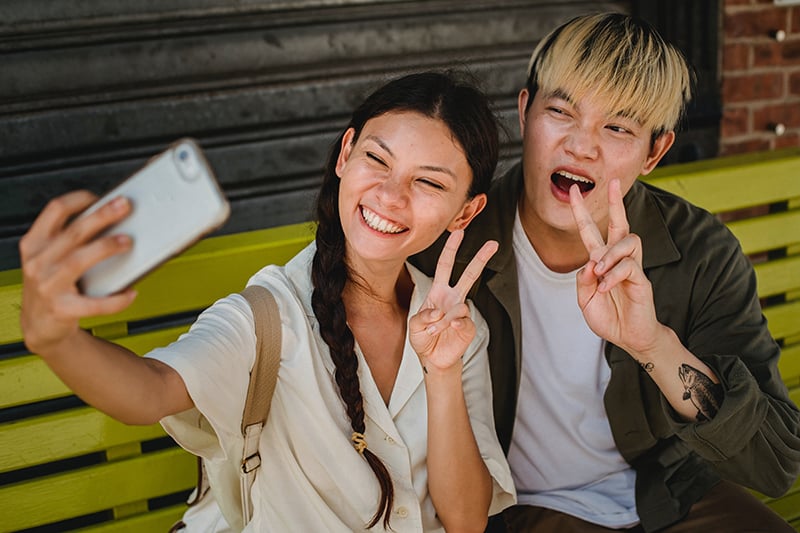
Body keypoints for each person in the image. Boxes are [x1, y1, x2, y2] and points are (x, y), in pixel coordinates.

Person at [18, 71, 516, 532]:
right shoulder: (268, 316)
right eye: (377, 159)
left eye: (428, 182)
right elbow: (150, 392)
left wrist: (442, 372)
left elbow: (466, 521)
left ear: (466, 211)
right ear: (346, 154)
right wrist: (56, 338)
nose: (390, 194)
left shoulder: (455, 325)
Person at [412, 13, 800, 533]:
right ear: (526, 114)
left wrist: (653, 346)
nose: (581, 145)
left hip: (664, 492)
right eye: (561, 112)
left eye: (617, 127)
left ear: (654, 152)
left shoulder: (699, 250)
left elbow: (777, 464)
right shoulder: (454, 240)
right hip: (519, 507)